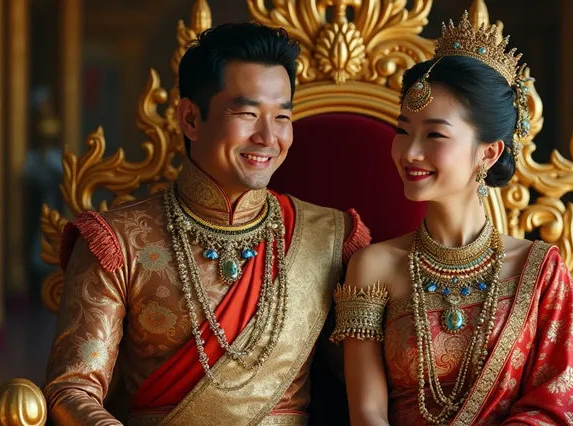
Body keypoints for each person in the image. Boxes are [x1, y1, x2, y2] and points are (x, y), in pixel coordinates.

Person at [44, 23, 370, 425]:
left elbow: (367, 383)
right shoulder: (118, 241)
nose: (268, 137)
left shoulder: (330, 237)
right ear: (191, 118)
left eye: (282, 117)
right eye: (247, 113)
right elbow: (71, 388)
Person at [331, 13, 573, 426]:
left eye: (435, 135)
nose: (409, 152)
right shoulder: (372, 267)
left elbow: (567, 402)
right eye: (403, 130)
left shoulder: (539, 270)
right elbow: (368, 414)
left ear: (488, 152)